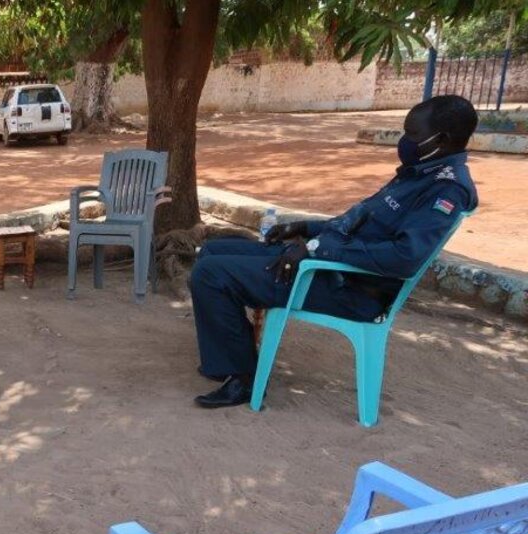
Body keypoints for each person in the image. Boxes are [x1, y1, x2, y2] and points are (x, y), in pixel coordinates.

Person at [188, 95, 479, 408]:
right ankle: (225, 361)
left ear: (444, 139)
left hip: (349, 288)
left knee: (211, 274)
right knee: (213, 251)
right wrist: (306, 228)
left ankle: (244, 378)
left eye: (413, 135)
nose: (404, 141)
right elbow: (360, 222)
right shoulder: (418, 172)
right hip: (328, 266)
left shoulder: (447, 188)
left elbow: (404, 257)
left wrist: (316, 249)